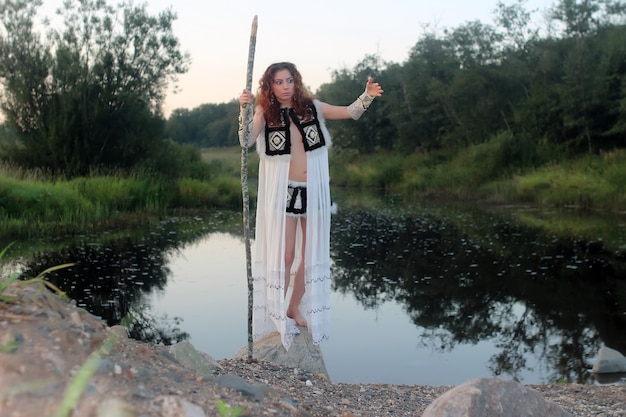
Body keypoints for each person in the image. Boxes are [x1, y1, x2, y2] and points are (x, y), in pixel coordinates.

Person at [238, 62, 383, 350]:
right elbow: (245, 140)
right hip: (286, 192)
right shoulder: (264, 113)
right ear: (270, 86)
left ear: (296, 82)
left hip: (314, 190)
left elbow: (350, 112)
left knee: (310, 253)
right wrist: (243, 109)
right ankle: (277, 310)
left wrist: (366, 95)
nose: (285, 86)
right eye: (278, 82)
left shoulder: (312, 108)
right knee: (287, 254)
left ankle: (293, 306)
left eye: (289, 80)